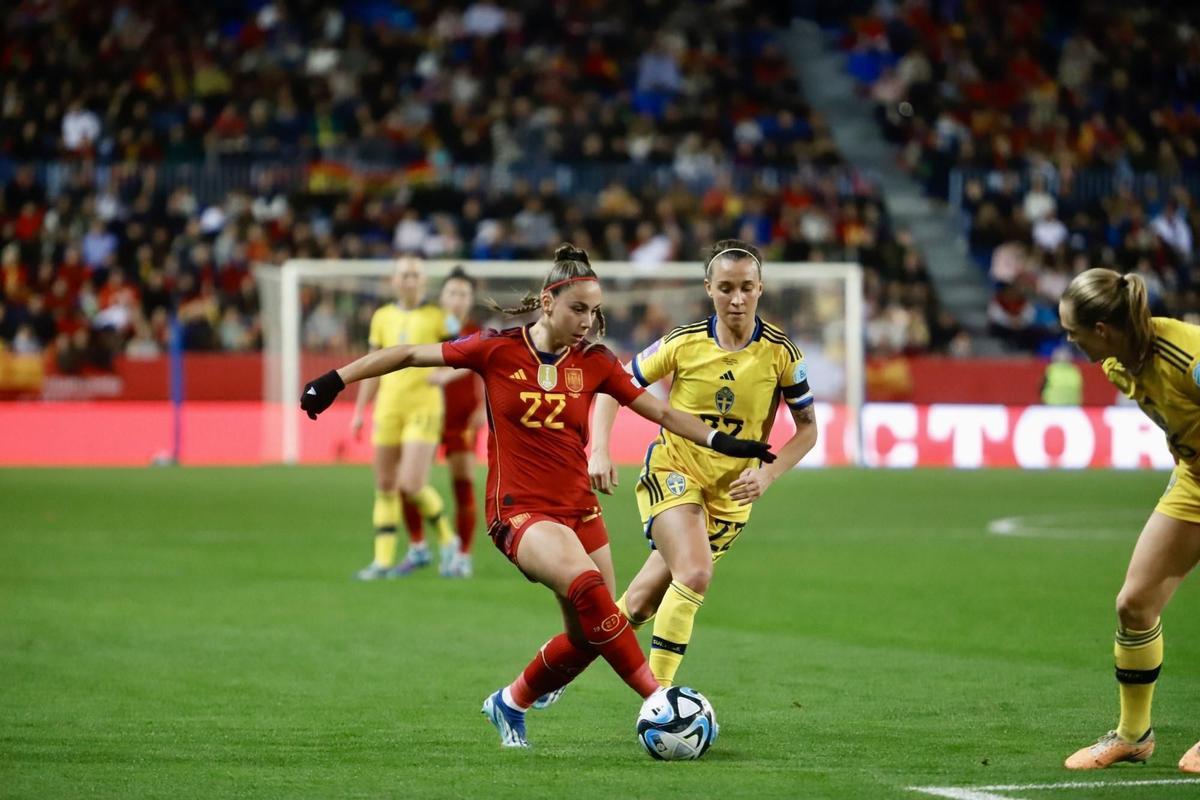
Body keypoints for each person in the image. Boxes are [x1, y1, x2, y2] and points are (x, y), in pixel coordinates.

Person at [301, 243, 776, 747]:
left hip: (580, 509)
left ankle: (510, 701)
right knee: (590, 589)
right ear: (548, 303)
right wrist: (336, 379)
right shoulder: (495, 348)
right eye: (578, 309)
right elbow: (408, 355)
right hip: (518, 511)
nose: (588, 322)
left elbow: (659, 412)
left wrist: (720, 440)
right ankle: (657, 699)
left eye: (594, 312)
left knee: (593, 634)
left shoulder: (595, 362)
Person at [587, 239, 819, 689]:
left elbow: (808, 429)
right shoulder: (682, 343)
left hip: (730, 497)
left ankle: (553, 670)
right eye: (726, 287)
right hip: (674, 473)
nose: (737, 298)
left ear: (760, 289)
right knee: (694, 573)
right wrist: (599, 448)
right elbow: (613, 386)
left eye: (747, 288)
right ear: (708, 287)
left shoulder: (781, 354)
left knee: (638, 604)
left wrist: (768, 474)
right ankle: (657, 700)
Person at [1058, 269, 1200, 773]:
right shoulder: (1116, 362)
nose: (1069, 341)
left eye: (1073, 332)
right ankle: (1133, 736)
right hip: (1194, 480)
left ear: (1101, 328)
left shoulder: (1190, 355)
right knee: (1135, 605)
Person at [349, 255, 460, 580]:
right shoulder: (381, 317)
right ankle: (382, 561)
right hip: (389, 407)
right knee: (385, 484)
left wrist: (444, 376)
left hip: (424, 407)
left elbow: (465, 354)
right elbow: (372, 366)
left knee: (411, 483)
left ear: (424, 282)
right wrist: (359, 410)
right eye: (404, 275)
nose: (410, 280)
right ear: (394, 281)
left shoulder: (441, 317)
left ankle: (447, 539)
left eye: (415, 275)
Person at [437, 267, 485, 578]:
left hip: (463, 417)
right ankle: (436, 543)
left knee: (462, 484)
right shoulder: (427, 329)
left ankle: (462, 553)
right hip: (425, 414)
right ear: (442, 296)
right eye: (452, 293)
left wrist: (483, 406)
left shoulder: (476, 332)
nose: (457, 299)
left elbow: (485, 371)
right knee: (409, 483)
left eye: (463, 294)